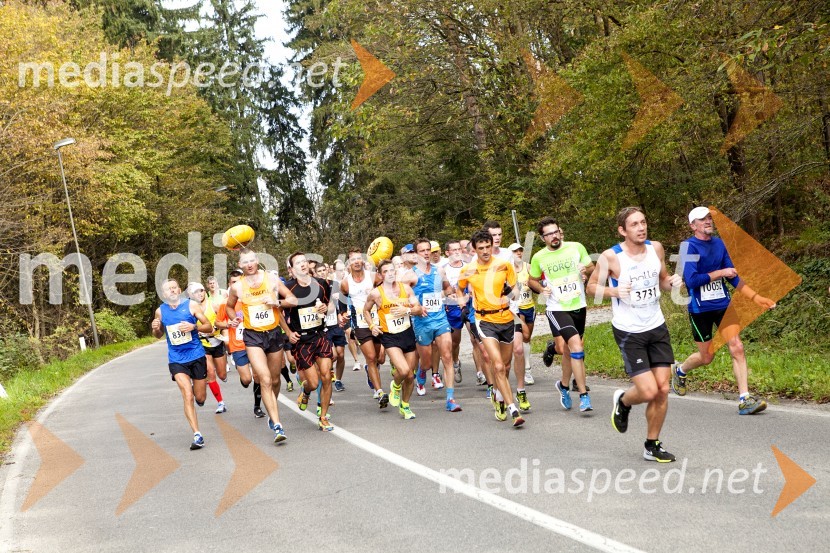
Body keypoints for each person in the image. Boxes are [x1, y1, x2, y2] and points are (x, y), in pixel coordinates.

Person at [587, 207, 682, 462]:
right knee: (649, 391)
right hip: (630, 331)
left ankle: (652, 444)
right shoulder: (611, 257)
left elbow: (661, 279)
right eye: (634, 224)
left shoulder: (656, 249)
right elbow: (591, 286)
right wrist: (614, 292)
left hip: (656, 326)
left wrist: (670, 282)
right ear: (622, 230)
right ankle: (624, 401)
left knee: (662, 389)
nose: (641, 228)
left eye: (643, 222)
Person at [671, 207, 775, 415]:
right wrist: (720, 272)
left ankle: (745, 399)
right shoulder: (688, 247)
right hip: (700, 310)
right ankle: (680, 370)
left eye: (709, 218)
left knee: (737, 346)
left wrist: (757, 297)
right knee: (707, 357)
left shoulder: (719, 244)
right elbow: (691, 280)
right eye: (702, 219)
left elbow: (733, 276)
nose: (708, 221)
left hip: (723, 305)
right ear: (693, 226)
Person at [226, 249, 297, 443]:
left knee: (274, 381)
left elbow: (293, 299)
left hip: (274, 334)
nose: (249, 264)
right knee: (264, 379)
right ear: (240, 265)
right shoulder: (237, 287)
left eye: (252, 260)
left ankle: (270, 408)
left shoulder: (272, 280)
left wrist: (276, 301)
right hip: (252, 337)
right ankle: (277, 424)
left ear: (257, 261)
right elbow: (229, 307)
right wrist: (235, 320)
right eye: (245, 262)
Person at [457, 229, 524, 427]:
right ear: (474, 250)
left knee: (507, 364)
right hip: (484, 320)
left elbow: (517, 291)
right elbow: (459, 288)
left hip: (505, 318)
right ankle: (513, 409)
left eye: (488, 247)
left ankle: (497, 394)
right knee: (497, 365)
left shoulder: (504, 265)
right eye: (481, 248)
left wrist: (509, 295)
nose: (485, 251)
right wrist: (462, 305)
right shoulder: (468, 270)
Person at [528, 218, 595, 412]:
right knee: (576, 346)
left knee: (568, 351)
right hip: (556, 308)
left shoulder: (576, 247)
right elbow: (531, 280)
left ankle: (563, 385)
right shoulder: (539, 257)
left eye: (555, 232)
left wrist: (586, 272)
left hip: (578, 304)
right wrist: (541, 289)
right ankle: (583, 395)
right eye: (548, 234)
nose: (554, 236)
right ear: (543, 238)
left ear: (560, 232)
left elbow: (591, 267)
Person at [151, 279, 214, 450]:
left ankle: (199, 398)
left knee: (200, 397)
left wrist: (194, 327)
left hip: (196, 355)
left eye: (174, 288)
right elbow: (158, 335)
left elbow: (209, 327)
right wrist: (156, 328)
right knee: (187, 394)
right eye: (167, 289)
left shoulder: (192, 306)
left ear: (179, 290)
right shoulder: (160, 311)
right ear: (163, 294)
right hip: (177, 359)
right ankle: (197, 434)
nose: (171, 291)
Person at [404, 238, 461, 412]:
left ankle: (450, 399)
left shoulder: (440, 271)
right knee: (427, 362)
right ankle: (422, 374)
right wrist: (416, 307)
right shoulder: (410, 275)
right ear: (415, 254)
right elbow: (401, 298)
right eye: (422, 251)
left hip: (441, 319)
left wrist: (449, 294)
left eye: (428, 250)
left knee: (447, 357)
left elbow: (447, 288)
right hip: (422, 323)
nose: (427, 253)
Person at [363, 259, 424, 420]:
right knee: (403, 371)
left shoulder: (406, 289)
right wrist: (371, 326)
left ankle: (405, 405)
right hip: (390, 337)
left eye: (392, 270)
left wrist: (407, 310)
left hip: (407, 333)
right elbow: (366, 311)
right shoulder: (376, 293)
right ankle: (395, 386)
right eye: (385, 271)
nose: (390, 273)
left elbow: (418, 309)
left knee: (410, 376)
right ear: (380, 275)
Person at [282, 252, 335, 431]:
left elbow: (331, 307)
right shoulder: (288, 287)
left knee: (327, 376)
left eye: (304, 261)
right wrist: (288, 332)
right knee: (313, 383)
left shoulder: (321, 284)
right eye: (298, 263)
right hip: (302, 340)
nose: (303, 264)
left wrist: (326, 308)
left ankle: (323, 417)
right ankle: (305, 392)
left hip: (320, 335)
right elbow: (278, 311)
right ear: (291, 269)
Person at [341, 248, 389, 408]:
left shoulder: (373, 277)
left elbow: (386, 290)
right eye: (352, 259)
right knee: (370, 357)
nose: (356, 262)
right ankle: (380, 391)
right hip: (361, 324)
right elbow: (341, 298)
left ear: (362, 261)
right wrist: (342, 314)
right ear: (349, 264)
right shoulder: (346, 282)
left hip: (379, 321)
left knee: (380, 358)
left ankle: (371, 369)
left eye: (358, 258)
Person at [226, 269, 265, 417]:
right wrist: (229, 323)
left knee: (257, 375)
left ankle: (257, 407)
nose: (236, 284)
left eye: (238, 281)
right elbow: (217, 322)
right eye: (233, 282)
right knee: (247, 379)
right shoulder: (227, 304)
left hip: (254, 342)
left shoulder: (251, 299)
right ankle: (244, 378)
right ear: (230, 285)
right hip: (237, 345)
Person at [187, 282, 228, 414]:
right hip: (202, 344)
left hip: (216, 341)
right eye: (196, 292)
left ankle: (223, 368)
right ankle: (220, 402)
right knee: (210, 373)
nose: (200, 294)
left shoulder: (214, 304)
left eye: (201, 291)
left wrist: (216, 328)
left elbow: (223, 320)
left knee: (222, 375)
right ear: (191, 295)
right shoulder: (190, 309)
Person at [506, 243, 532, 411]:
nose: (518, 253)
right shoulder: (500, 271)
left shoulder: (526, 268)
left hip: (519, 310)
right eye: (514, 251)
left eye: (520, 250)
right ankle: (499, 392)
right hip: (497, 318)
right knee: (504, 363)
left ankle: (521, 390)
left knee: (519, 349)